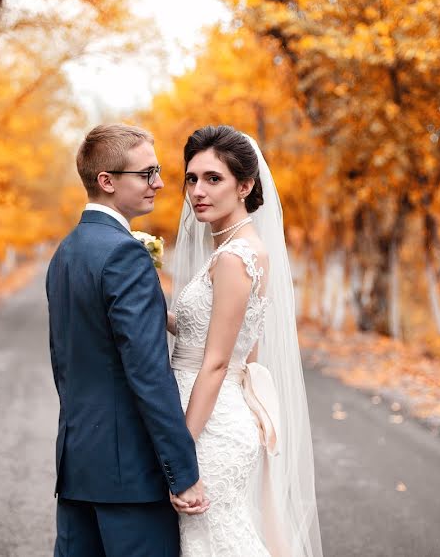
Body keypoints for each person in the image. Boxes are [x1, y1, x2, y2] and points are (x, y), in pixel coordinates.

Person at [46, 123, 206, 557]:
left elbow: (66, 364)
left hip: (78, 464)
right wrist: (183, 472)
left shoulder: (66, 252)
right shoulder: (124, 254)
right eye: (147, 173)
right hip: (130, 478)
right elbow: (149, 372)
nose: (159, 182)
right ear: (107, 181)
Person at [169, 125, 323, 556]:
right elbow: (232, 343)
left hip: (210, 428)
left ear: (246, 185)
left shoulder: (236, 258)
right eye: (192, 178)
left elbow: (217, 363)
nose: (198, 190)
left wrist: (180, 455)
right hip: (212, 415)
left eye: (213, 179)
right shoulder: (236, 250)